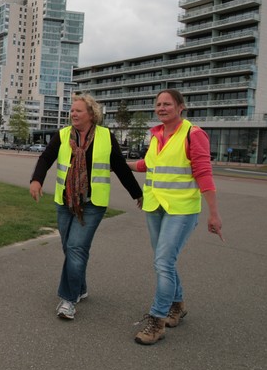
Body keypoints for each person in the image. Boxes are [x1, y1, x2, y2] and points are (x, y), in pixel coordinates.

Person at [30, 93, 143, 320]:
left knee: (76, 247)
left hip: (92, 203)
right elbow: (45, 158)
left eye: (78, 110)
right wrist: (36, 180)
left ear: (91, 114)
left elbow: (120, 166)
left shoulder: (105, 136)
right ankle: (80, 287)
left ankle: (68, 300)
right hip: (65, 201)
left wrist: (136, 193)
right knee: (70, 248)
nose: (73, 114)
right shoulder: (63, 135)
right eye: (72, 110)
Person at [128, 89, 223, 345]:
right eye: (158, 104)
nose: (161, 108)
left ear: (180, 107)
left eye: (167, 104)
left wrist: (214, 214)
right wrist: (119, 165)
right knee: (165, 262)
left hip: (181, 209)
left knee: (163, 262)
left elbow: (203, 173)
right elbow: (148, 165)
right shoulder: (156, 134)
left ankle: (157, 321)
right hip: (155, 206)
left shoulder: (194, 134)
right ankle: (177, 305)